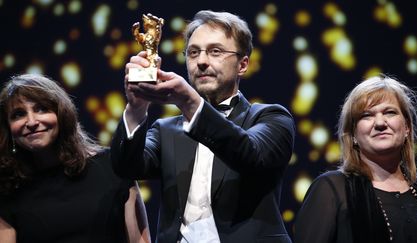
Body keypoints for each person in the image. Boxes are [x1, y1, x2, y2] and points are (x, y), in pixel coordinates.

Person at [111, 10, 295, 243]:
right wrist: (137, 108)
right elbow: (126, 168)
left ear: (243, 64)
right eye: (193, 53)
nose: (202, 61)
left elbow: (251, 154)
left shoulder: (271, 117)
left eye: (215, 51)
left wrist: (190, 102)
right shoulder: (165, 130)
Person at [0, 74, 151, 243]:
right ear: (8, 129)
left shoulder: (113, 165)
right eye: (18, 114)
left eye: (41, 109)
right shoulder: (8, 190)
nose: (31, 121)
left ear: (62, 114)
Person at [294, 75, 417, 243]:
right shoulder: (332, 189)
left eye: (390, 112)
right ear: (353, 135)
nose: (380, 123)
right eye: (367, 115)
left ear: (407, 128)